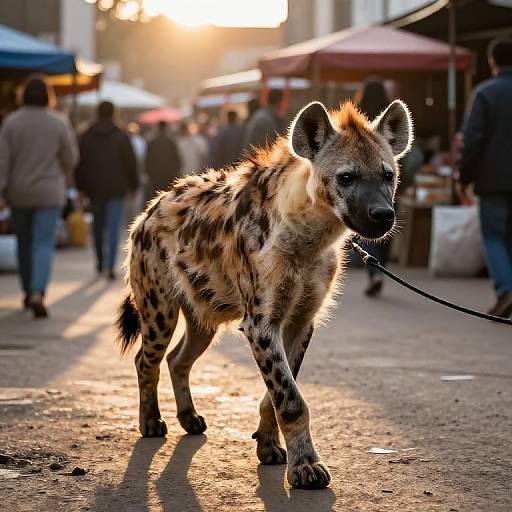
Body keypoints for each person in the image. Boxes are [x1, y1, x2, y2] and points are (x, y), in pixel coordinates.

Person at [0, 75, 78, 317]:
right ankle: (37, 291)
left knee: (24, 243)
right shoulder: (59, 122)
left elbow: (3, 161)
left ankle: (26, 291)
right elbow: (71, 158)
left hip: (18, 192)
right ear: (48, 96)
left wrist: (1, 191)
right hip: (49, 192)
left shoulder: (11, 122)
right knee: (43, 242)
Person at [459, 39, 512, 318]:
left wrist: (463, 176)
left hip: (492, 181)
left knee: (493, 237)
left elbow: (473, 140)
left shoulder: (485, 93)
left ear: (492, 62)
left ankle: (505, 289)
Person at [75, 101, 138, 279]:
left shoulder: (86, 136)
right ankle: (110, 266)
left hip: (93, 188)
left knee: (97, 227)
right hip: (116, 188)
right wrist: (133, 185)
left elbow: (80, 164)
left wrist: (80, 187)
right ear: (113, 114)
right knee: (112, 227)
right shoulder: (121, 136)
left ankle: (100, 262)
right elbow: (130, 163)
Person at [355, 78, 392, 297]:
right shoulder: (388, 123)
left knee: (367, 230)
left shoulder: (356, 121)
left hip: (362, 188)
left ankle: (374, 272)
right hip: (386, 184)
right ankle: (379, 268)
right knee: (386, 227)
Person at [145, 120, 181, 201]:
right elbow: (177, 161)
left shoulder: (152, 143)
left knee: (155, 199)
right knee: (166, 199)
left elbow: (147, 161)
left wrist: (148, 174)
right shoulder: (171, 143)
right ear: (166, 128)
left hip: (155, 176)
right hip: (168, 176)